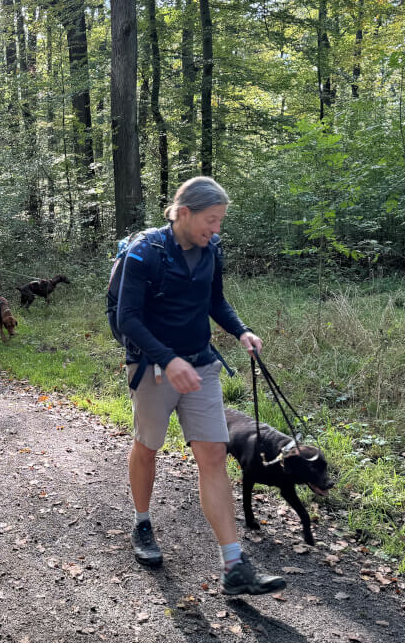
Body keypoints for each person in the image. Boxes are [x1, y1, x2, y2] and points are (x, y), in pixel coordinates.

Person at [115, 176, 285, 596]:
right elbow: (127, 319)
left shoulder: (212, 250)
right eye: (211, 219)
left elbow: (215, 301)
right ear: (184, 212)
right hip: (154, 369)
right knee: (148, 447)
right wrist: (167, 360)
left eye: (221, 221)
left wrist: (241, 331)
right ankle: (141, 523)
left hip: (202, 364)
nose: (217, 229)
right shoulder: (144, 254)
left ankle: (233, 564)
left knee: (212, 455)